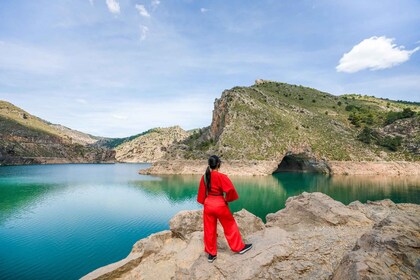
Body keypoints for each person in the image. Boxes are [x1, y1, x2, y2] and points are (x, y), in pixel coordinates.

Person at [197, 155, 253, 263]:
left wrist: (206, 202)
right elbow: (231, 190)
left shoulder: (204, 177)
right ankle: (239, 248)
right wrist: (227, 199)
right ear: (218, 164)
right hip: (219, 204)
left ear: (209, 165)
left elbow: (201, 195)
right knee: (230, 226)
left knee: (209, 229)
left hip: (208, 204)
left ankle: (211, 254)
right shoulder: (222, 176)